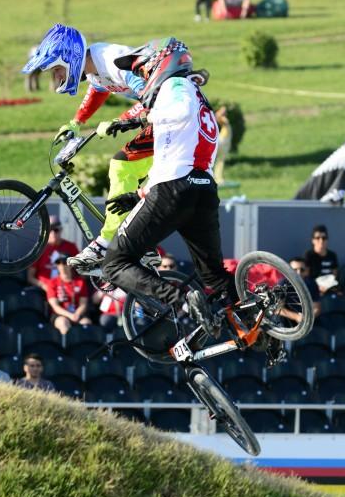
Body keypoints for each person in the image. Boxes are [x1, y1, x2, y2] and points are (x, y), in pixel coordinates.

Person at [97, 38, 284, 361]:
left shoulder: (176, 88)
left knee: (113, 263)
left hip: (173, 190)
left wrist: (143, 118)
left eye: (144, 68)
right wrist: (138, 194)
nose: (141, 77)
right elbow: (179, 152)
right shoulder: (199, 97)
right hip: (202, 189)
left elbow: (176, 115)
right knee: (215, 277)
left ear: (160, 63)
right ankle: (266, 335)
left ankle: (182, 299)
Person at [22, 24, 176, 270]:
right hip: (165, 117)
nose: (58, 77)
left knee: (122, 166)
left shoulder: (111, 60)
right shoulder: (94, 68)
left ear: (71, 58)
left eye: (58, 70)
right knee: (129, 176)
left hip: (172, 115)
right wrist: (76, 123)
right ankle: (142, 244)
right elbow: (98, 89)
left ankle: (105, 242)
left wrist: (120, 120)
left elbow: (152, 96)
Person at [27, 215, 80, 290]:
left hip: (67, 291)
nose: (53, 233)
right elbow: (30, 277)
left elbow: (81, 273)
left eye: (56, 230)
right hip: (43, 291)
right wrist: (44, 286)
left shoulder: (71, 247)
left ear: (61, 230)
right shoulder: (39, 249)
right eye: (50, 230)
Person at [45, 256, 94, 335]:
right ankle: (68, 346)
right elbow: (55, 306)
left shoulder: (80, 281)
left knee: (86, 323)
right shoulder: (52, 283)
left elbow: (83, 304)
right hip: (60, 314)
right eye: (58, 263)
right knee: (63, 323)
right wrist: (70, 315)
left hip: (77, 313)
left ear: (71, 265)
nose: (62, 266)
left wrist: (77, 314)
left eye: (64, 263)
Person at [303, 224, 338, 291]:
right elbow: (306, 275)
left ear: (327, 240)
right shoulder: (309, 255)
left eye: (324, 238)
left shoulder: (332, 255)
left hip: (330, 288)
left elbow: (335, 274)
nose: (321, 240)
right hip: (314, 288)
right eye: (317, 238)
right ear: (313, 240)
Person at [213, 105, 232, 185]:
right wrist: (222, 110)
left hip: (224, 142)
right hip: (222, 141)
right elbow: (217, 115)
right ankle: (218, 178)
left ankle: (217, 177)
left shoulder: (222, 119)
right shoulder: (223, 119)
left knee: (219, 161)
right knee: (220, 161)